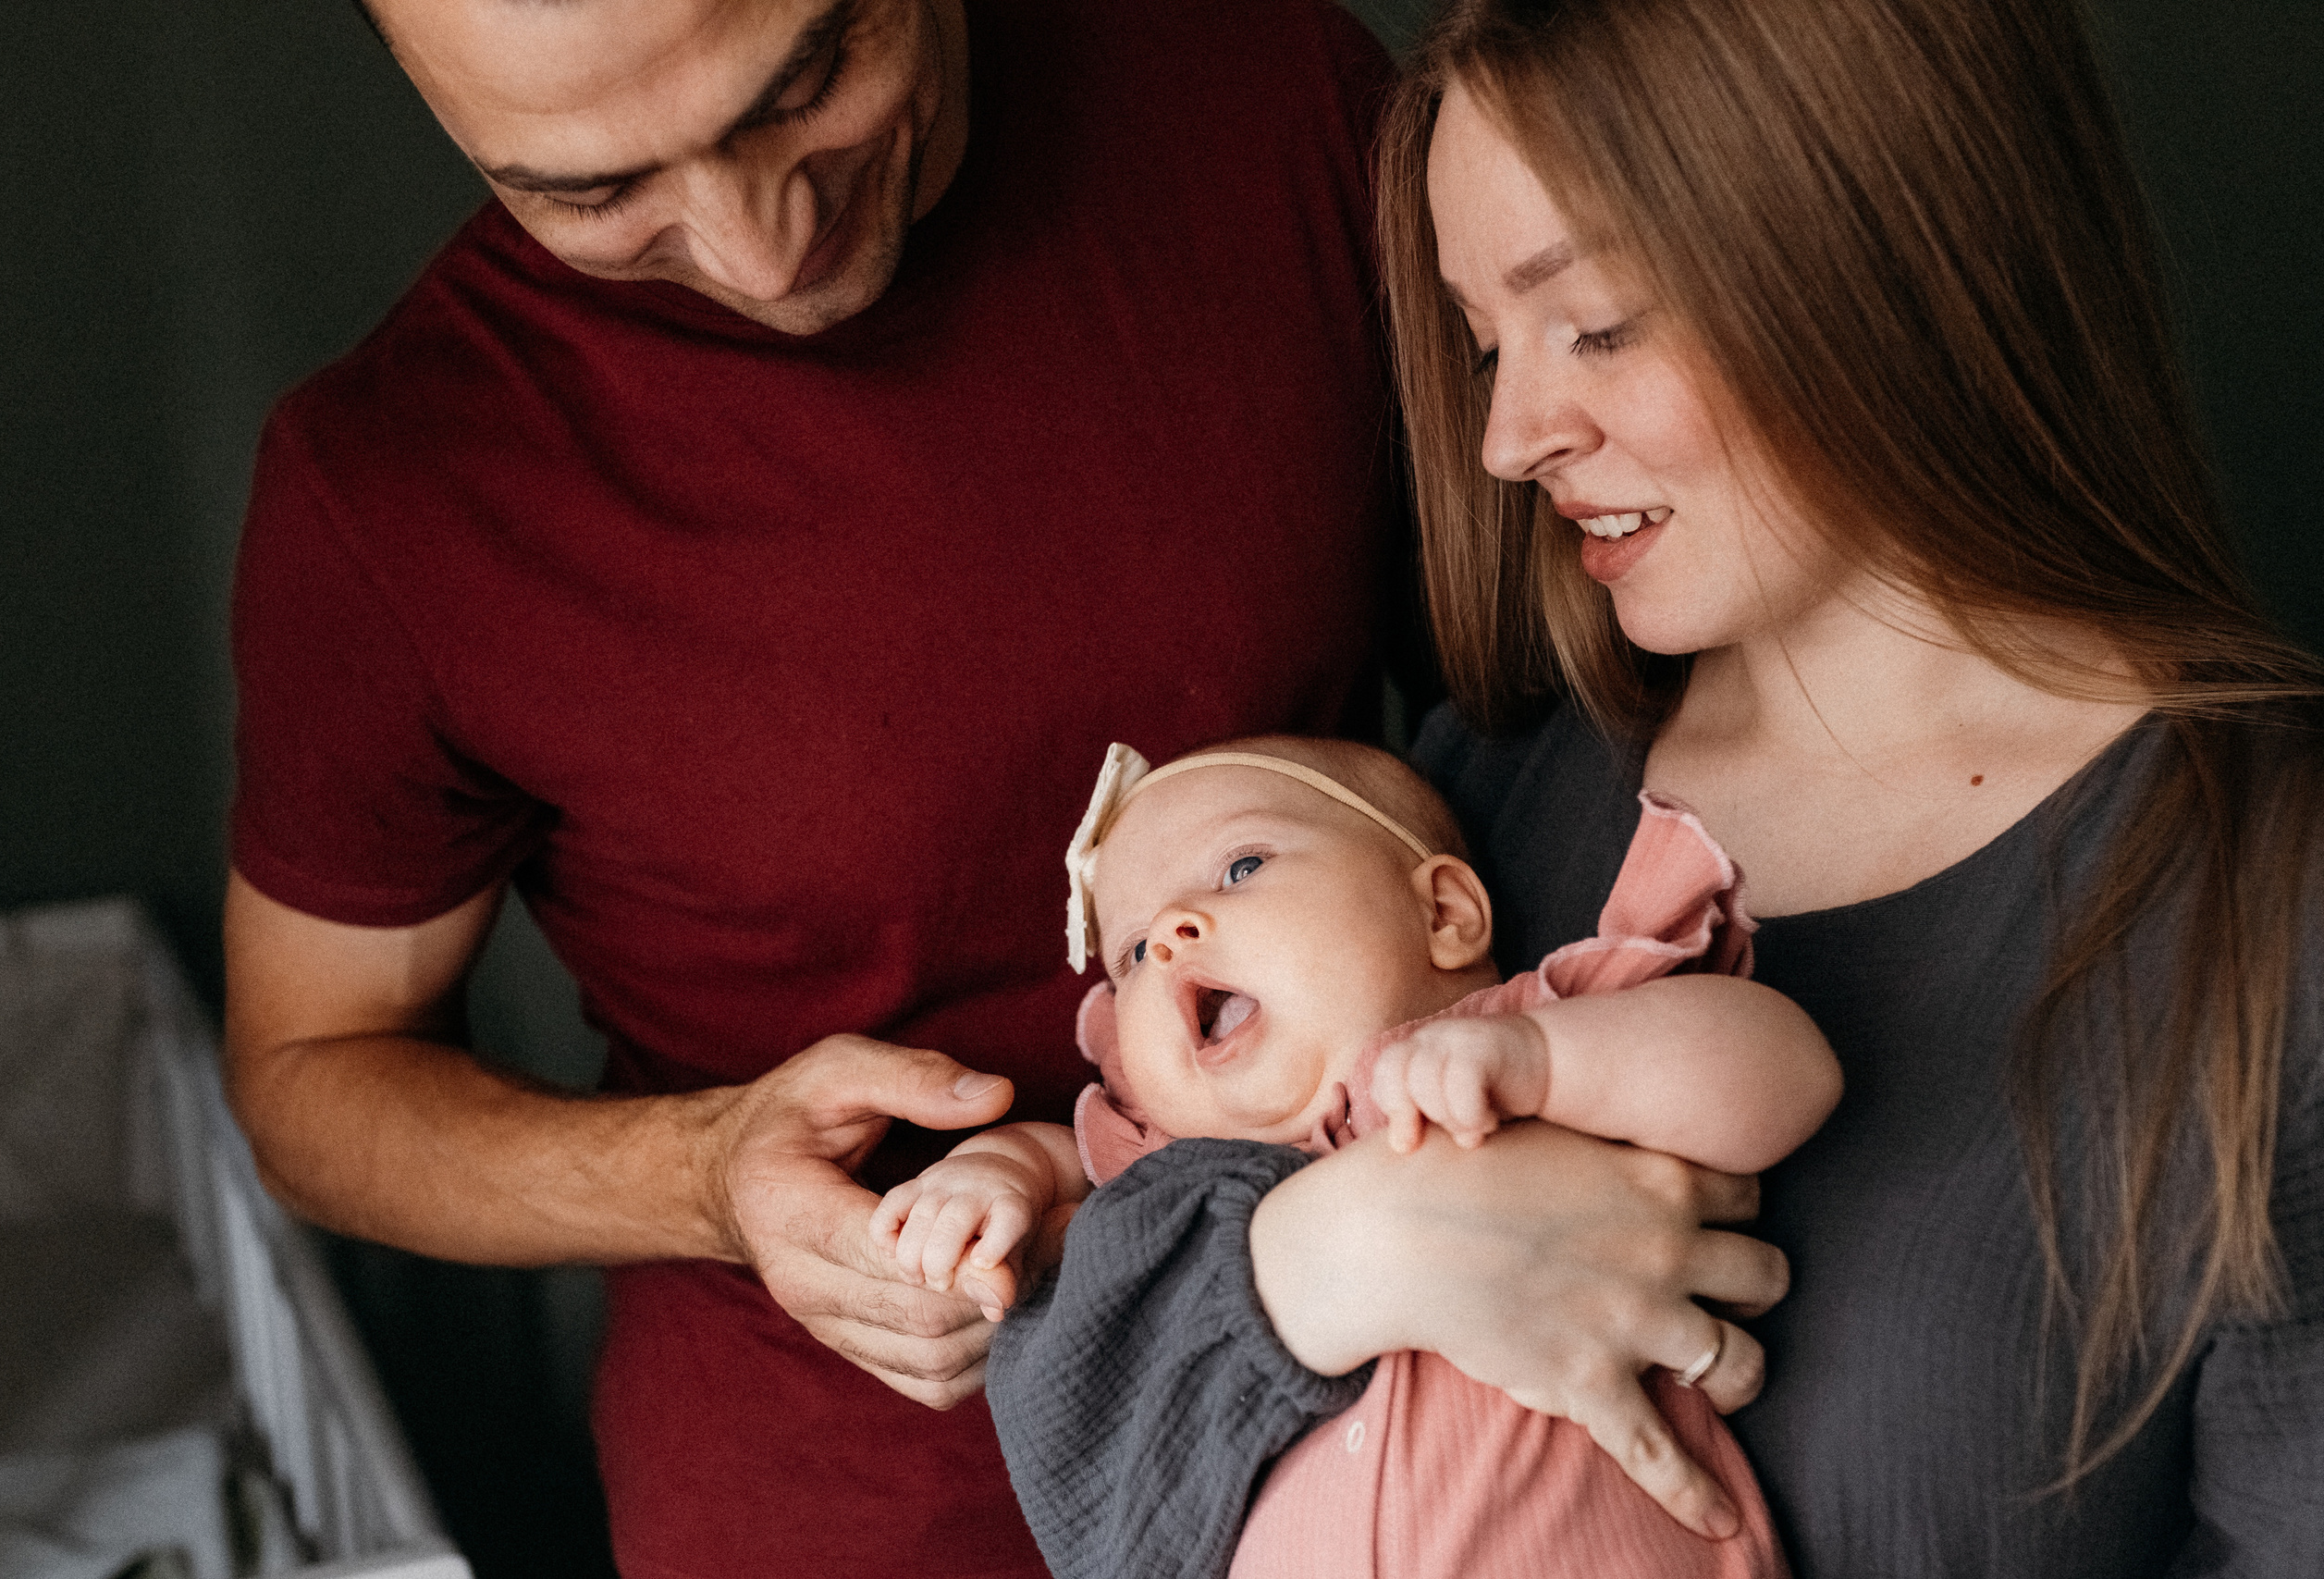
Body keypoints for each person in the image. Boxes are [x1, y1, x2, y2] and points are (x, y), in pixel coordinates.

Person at [982, 1, 2324, 1575]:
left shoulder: (2270, 911)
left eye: (1596, 321)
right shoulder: (1479, 792)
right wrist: (1327, 1258)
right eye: (1488, 346)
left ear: (1888, 247)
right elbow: (1100, 1462)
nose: (1507, 438)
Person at [217, 0, 1411, 1573]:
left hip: (1422, 1371)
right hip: (867, 1486)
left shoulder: (1264, 89)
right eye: (591, 191)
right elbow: (311, 1074)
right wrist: (707, 1173)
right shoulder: (390, 490)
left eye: (806, 81)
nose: (762, 248)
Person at [876, 735, 1838, 1577]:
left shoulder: (1529, 1037)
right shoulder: (1175, 1180)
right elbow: (1071, 1205)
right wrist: (1000, 1170)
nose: (1170, 936)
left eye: (1240, 867)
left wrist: (1550, 1063)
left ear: (1444, 914)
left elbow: (1789, 1076)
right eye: (1129, 954)